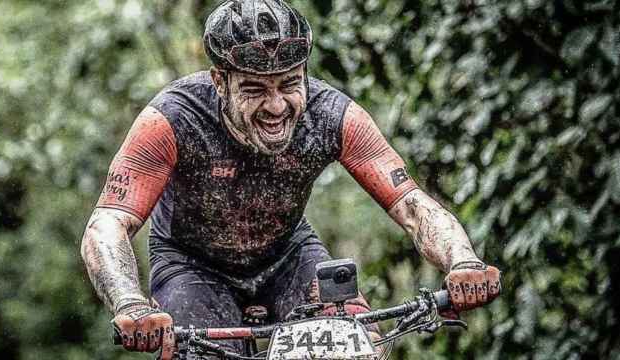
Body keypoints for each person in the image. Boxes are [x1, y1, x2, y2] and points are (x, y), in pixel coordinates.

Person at [80, 0, 501, 358]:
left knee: (356, 343)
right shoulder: (172, 119)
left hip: (290, 256)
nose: (277, 105)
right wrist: (131, 303)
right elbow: (108, 223)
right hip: (192, 265)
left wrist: (462, 260)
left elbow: (411, 203)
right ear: (219, 81)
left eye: (289, 84)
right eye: (255, 89)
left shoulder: (333, 115)